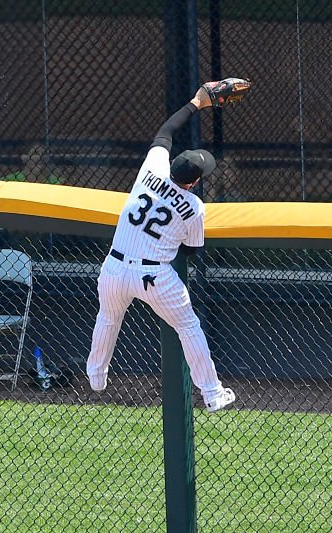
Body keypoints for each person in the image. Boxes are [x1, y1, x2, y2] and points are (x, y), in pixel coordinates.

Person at [86, 82, 236, 412]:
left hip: (114, 266)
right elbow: (194, 251)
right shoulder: (194, 206)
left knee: (109, 318)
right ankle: (212, 393)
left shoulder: (150, 170)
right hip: (154, 276)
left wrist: (196, 102)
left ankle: (96, 376)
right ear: (194, 181)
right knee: (188, 325)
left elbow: (165, 131)